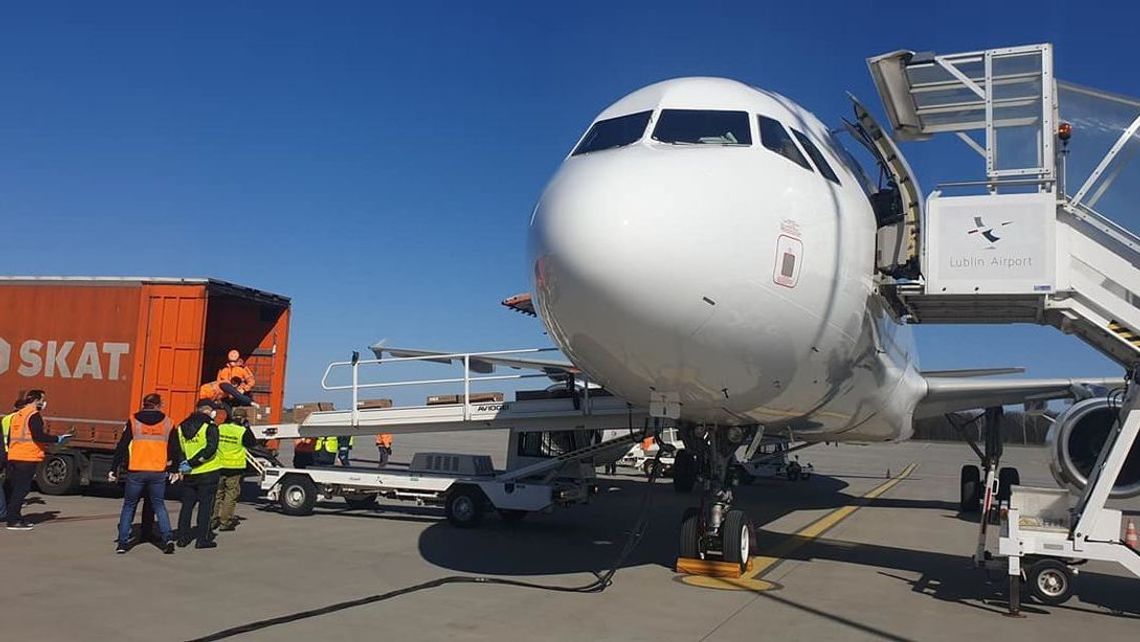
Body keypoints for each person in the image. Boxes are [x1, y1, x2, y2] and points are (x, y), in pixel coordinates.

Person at [110, 393, 177, 554]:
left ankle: (122, 542)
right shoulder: (168, 422)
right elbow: (175, 448)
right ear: (159, 404)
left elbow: (122, 446)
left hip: (136, 470)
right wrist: (174, 469)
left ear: (144, 404)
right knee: (159, 505)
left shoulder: (133, 421)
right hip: (157, 471)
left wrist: (114, 468)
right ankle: (167, 538)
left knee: (129, 506)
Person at [6, 390, 71, 530]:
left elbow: (11, 437)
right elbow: (38, 436)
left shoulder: (17, 415)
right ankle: (13, 520)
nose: (43, 403)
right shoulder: (34, 415)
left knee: (16, 489)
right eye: (42, 399)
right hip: (27, 457)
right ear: (36, 400)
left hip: (14, 455)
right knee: (21, 490)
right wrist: (57, 439)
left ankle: (13, 516)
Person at [171, 399, 223, 549]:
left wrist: (185, 464)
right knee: (206, 507)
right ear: (207, 410)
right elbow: (211, 449)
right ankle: (202, 539)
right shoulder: (210, 427)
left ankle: (182, 538)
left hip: (189, 474)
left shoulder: (181, 427)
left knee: (187, 506)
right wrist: (194, 462)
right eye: (213, 410)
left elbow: (179, 449)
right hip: (208, 472)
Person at [211, 414, 255, 532]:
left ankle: (212, 520)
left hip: (219, 465)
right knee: (230, 495)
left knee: (217, 495)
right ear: (243, 419)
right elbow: (252, 443)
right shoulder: (242, 431)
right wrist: (247, 427)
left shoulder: (221, 428)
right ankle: (225, 522)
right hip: (234, 468)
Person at [0, 397, 27, 522]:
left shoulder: (7, 418)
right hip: (12, 454)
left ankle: (4, 511)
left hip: (7, 453)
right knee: (11, 484)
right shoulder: (19, 419)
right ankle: (6, 510)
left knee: (8, 484)